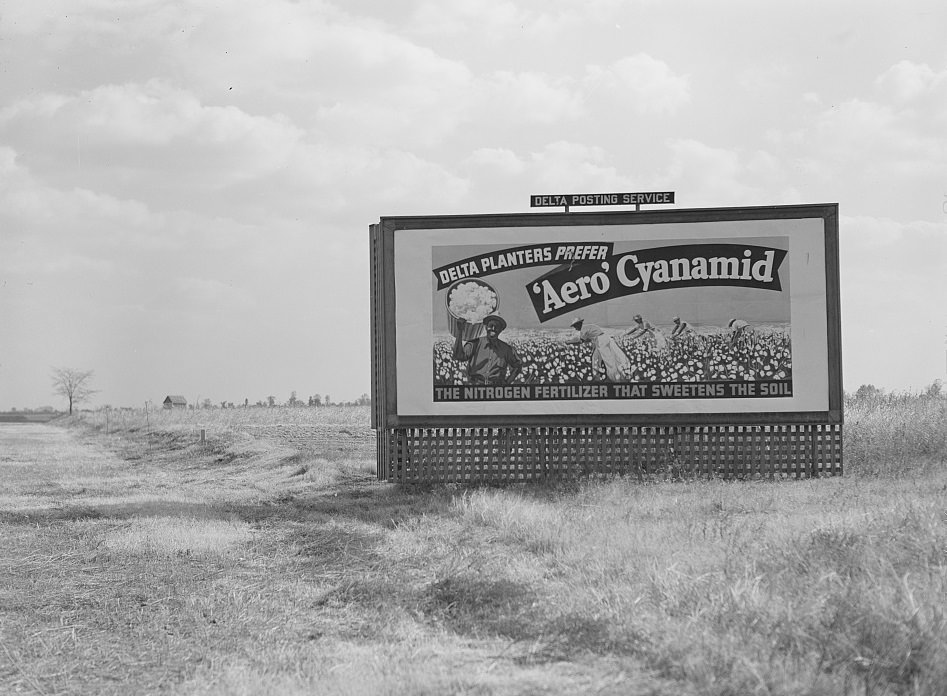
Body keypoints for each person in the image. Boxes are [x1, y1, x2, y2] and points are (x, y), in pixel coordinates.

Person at [452, 314, 522, 385]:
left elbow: (517, 366)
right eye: (491, 325)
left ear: (501, 330)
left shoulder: (506, 349)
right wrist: (459, 331)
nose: (493, 328)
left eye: (497, 327)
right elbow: (459, 356)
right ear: (486, 327)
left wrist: (507, 382)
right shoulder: (475, 344)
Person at [565, 317, 631, 382]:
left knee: (608, 360)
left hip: (601, 341)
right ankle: (597, 375)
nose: (575, 328)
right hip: (605, 338)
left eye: (575, 326)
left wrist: (569, 342)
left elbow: (580, 341)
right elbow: (590, 338)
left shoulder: (583, 330)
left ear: (579, 324)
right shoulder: (589, 326)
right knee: (595, 358)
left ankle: (615, 378)